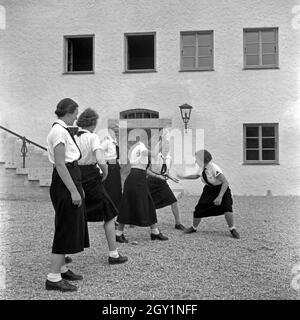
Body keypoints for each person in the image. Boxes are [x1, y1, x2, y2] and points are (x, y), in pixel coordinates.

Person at [45, 98, 89, 292]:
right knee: (65, 227)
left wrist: (77, 187)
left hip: (70, 178)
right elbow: (61, 164)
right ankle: (53, 278)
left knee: (66, 223)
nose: (77, 116)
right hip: (65, 181)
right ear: (69, 112)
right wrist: (73, 190)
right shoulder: (59, 131)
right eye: (76, 113)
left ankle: (62, 268)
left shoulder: (61, 130)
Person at [75, 108, 128, 264]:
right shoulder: (93, 137)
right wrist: (105, 172)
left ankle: (64, 255)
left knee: (75, 214)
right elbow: (100, 158)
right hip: (91, 177)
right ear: (93, 123)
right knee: (109, 214)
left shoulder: (73, 138)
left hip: (77, 176)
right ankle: (113, 254)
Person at [176, 149, 240, 239]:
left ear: (202, 160)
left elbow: (225, 182)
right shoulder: (201, 168)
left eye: (197, 159)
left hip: (221, 189)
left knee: (227, 208)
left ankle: (232, 229)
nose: (195, 161)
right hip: (209, 190)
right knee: (199, 209)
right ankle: (194, 228)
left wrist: (220, 196)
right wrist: (183, 177)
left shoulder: (214, 168)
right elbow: (196, 176)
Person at [116, 139, 168, 243]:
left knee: (147, 203)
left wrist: (158, 176)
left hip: (137, 178)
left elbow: (143, 169)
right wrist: (162, 142)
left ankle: (155, 231)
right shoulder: (141, 147)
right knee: (130, 205)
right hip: (137, 180)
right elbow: (153, 154)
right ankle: (118, 233)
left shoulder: (136, 149)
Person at [147, 135, 186, 231]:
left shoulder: (169, 158)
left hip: (162, 182)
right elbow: (147, 170)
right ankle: (131, 221)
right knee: (145, 202)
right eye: (165, 146)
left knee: (174, 201)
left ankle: (178, 223)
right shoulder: (155, 157)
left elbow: (166, 171)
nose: (167, 148)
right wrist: (157, 176)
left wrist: (171, 177)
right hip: (151, 181)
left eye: (168, 147)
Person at [100, 133, 122, 209]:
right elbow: (99, 152)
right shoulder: (107, 142)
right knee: (111, 188)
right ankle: (110, 207)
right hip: (110, 167)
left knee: (116, 188)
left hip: (115, 166)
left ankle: (117, 207)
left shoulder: (115, 142)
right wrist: (105, 163)